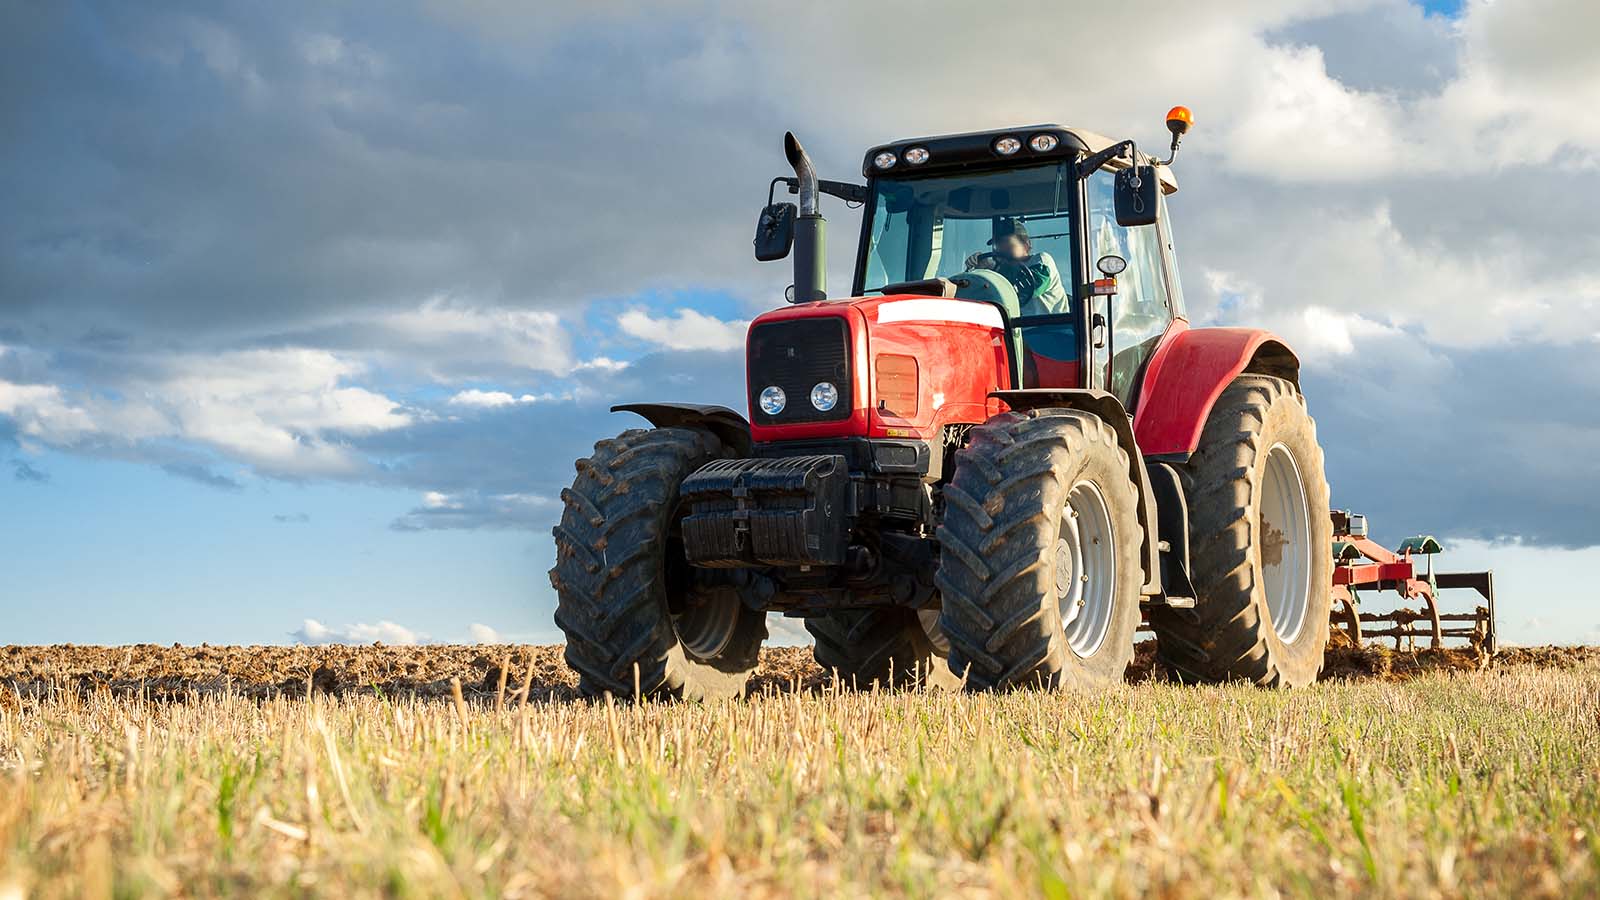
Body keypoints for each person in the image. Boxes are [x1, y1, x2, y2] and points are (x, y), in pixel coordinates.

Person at [963, 218, 1068, 315]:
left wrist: (993, 269)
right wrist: (979, 272)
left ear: (1027, 245)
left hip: (1052, 329)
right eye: (998, 249)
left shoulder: (1042, 260)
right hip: (1020, 331)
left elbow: (1025, 288)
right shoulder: (1003, 273)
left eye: (1009, 247)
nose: (1002, 254)